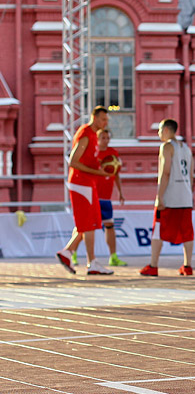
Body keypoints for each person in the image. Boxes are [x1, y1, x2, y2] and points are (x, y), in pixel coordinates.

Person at [55, 106, 116, 275]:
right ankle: (92, 262)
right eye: (103, 119)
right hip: (81, 183)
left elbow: (86, 161)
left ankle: (68, 252)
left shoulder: (93, 136)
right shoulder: (85, 134)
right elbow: (73, 161)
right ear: (94, 117)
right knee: (89, 224)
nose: (105, 122)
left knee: (88, 222)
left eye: (106, 120)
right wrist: (100, 172)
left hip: (87, 184)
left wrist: (102, 167)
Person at [139, 119, 195, 277]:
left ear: (166, 130)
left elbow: (166, 172)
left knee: (158, 230)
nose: (158, 133)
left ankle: (153, 265)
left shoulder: (166, 147)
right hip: (185, 196)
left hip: (171, 196)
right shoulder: (186, 148)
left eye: (159, 130)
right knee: (187, 232)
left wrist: (159, 196)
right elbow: (191, 175)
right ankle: (187, 266)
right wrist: (189, 193)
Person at [93, 129, 126, 267]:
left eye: (107, 137)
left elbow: (116, 174)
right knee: (85, 227)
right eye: (103, 137)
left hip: (106, 197)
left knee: (109, 225)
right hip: (93, 196)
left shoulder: (113, 153)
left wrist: (120, 192)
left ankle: (113, 256)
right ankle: (73, 253)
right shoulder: (93, 153)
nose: (106, 140)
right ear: (97, 138)